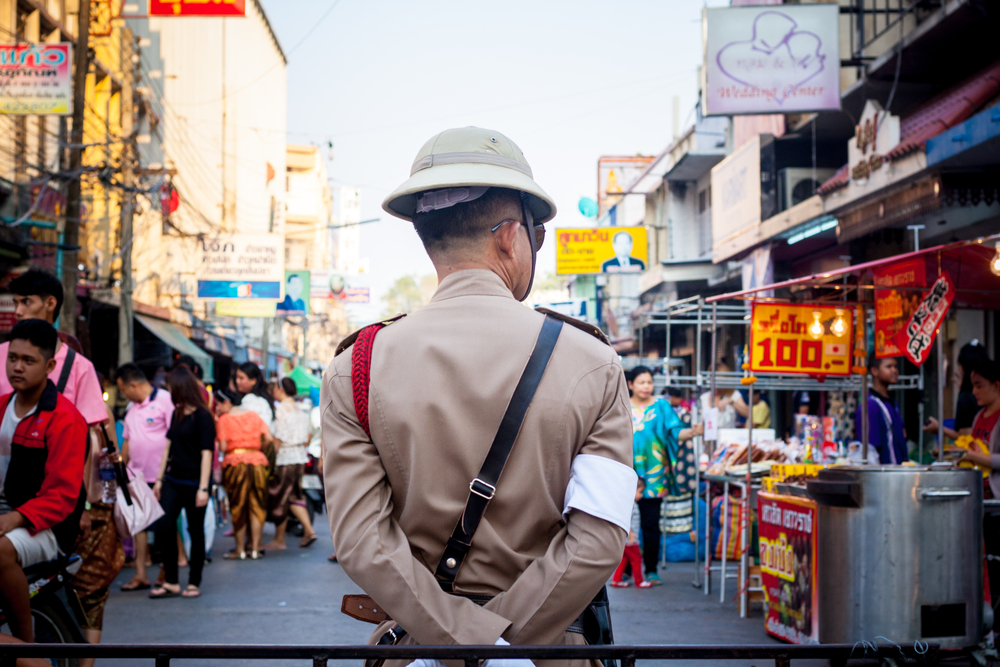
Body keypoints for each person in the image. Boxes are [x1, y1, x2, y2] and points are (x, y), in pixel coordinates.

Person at [324, 127, 635, 661]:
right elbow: (599, 538)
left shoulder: (357, 366)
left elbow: (362, 541)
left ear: (427, 238)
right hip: (549, 652)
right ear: (511, 237)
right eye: (537, 237)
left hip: (416, 651)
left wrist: (463, 641)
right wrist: (502, 647)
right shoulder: (594, 362)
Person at [0, 319, 87, 642]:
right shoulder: (1, 407)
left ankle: (25, 645)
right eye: (13, 358)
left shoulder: (65, 419)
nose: (17, 367)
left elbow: (62, 495)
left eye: (28, 360)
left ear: (49, 366)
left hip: (47, 527)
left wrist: (14, 518)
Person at [628, 366, 702, 585]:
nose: (646, 386)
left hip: (655, 476)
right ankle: (625, 569)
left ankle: (651, 569)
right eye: (641, 382)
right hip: (626, 473)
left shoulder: (662, 406)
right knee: (622, 524)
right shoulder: (621, 404)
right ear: (631, 384)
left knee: (651, 524)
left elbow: (676, 432)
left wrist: (692, 432)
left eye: (649, 382)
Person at [149, 367, 215, 599]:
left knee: (195, 530)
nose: (168, 390)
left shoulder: (203, 416)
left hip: (195, 481)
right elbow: (168, 447)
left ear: (180, 388)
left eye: (170, 386)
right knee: (165, 525)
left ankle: (194, 582)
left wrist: (203, 488)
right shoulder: (177, 413)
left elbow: (207, 453)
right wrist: (159, 479)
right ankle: (172, 581)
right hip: (173, 479)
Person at [70, 402, 125, 667]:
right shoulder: (51, 406)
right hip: (61, 516)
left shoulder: (100, 411)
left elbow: (116, 461)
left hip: (99, 512)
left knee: (93, 595)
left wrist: (114, 458)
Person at [116, 363, 174, 591]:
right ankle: (141, 574)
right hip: (135, 475)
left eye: (123, 390)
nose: (123, 395)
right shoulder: (132, 408)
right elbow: (127, 441)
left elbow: (174, 436)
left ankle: (167, 570)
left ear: (133, 385)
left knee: (165, 526)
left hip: (161, 476)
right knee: (138, 526)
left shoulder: (165, 400)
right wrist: (121, 471)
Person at [215, 388, 272, 560]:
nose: (218, 409)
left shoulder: (224, 419)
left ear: (226, 402)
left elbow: (223, 447)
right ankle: (255, 549)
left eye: (218, 405)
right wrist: (256, 449)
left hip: (235, 463)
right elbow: (269, 438)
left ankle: (239, 549)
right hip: (257, 462)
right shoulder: (253, 415)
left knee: (238, 505)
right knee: (257, 505)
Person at [263, 378, 317, 550]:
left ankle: (280, 540)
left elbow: (278, 437)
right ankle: (307, 530)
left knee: (280, 496)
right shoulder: (299, 409)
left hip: (285, 458)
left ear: (280, 389)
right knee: (293, 496)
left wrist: (271, 459)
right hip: (299, 457)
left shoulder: (281, 409)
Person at [854, 354, 908, 464]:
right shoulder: (870, 406)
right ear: (874, 371)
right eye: (889, 366)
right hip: (885, 472)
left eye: (896, 366)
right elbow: (871, 451)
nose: (894, 370)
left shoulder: (891, 402)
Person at [611, 478, 650, 589]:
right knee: (636, 559)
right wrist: (631, 534)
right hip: (630, 539)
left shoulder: (629, 504)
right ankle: (639, 581)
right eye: (640, 492)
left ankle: (616, 580)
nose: (641, 495)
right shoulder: (630, 505)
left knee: (624, 559)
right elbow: (626, 519)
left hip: (625, 538)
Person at [698, 364, 749, 432]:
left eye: (718, 382)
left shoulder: (733, 395)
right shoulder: (704, 397)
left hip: (728, 437)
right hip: (708, 437)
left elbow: (748, 414)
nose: (715, 385)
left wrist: (730, 402)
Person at [234, 362, 274, 427]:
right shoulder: (259, 399)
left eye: (241, 378)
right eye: (236, 377)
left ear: (253, 381)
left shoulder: (253, 400)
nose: (237, 381)